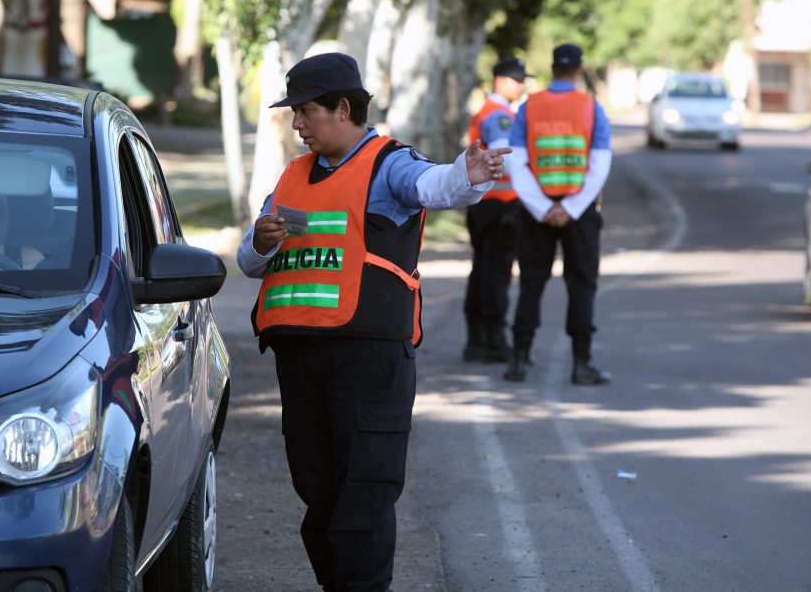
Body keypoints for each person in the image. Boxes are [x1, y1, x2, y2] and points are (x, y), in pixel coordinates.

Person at [237, 51, 510, 591]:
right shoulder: (292, 176)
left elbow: (432, 186)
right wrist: (261, 241)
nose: (296, 125)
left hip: (368, 360)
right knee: (319, 497)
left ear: (342, 109)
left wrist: (467, 175)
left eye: (304, 112)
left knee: (363, 494)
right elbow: (249, 260)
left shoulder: (389, 164)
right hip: (300, 361)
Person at [502, 43, 612, 385]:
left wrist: (543, 206)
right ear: (578, 71)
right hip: (577, 212)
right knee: (581, 284)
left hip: (538, 212)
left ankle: (519, 359)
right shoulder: (591, 107)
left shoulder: (530, 106)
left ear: (552, 68)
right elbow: (600, 163)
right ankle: (581, 364)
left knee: (532, 283)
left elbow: (517, 161)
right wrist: (572, 208)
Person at [462, 56, 531, 364]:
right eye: (518, 80)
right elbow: (507, 159)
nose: (522, 85)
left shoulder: (488, 112)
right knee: (496, 274)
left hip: (483, 205)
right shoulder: (499, 116)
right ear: (501, 80)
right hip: (499, 207)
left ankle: (477, 340)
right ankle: (493, 339)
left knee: (483, 271)